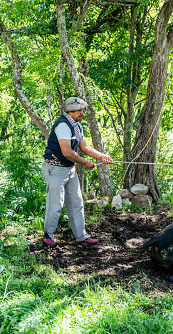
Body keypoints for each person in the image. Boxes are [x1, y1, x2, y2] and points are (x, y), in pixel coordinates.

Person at [41, 97, 113, 246]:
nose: (82, 112)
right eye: (80, 110)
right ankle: (48, 235)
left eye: (83, 109)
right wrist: (85, 162)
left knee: (77, 203)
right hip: (55, 169)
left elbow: (85, 147)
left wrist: (102, 156)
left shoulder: (77, 126)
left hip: (69, 169)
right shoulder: (62, 125)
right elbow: (67, 152)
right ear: (71, 110)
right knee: (56, 204)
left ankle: (81, 235)